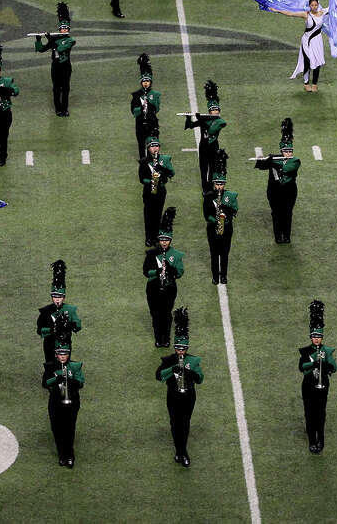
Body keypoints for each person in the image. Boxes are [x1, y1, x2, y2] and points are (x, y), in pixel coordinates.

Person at [156, 308, 203, 467]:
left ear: (187, 348)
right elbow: (158, 376)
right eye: (178, 348)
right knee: (174, 423)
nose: (180, 351)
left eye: (183, 349)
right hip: (173, 395)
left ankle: (183, 451)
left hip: (188, 395)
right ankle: (179, 450)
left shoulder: (193, 360)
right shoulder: (169, 360)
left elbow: (200, 379)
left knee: (185, 423)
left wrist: (190, 372)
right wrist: (172, 370)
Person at [42, 312, 83, 468]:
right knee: (57, 429)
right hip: (55, 401)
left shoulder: (75, 366)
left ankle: (70, 455)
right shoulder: (50, 367)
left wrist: (70, 379)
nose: (63, 357)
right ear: (56, 354)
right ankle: (62, 455)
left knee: (69, 429)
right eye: (60, 354)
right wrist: (57, 378)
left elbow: (81, 382)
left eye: (65, 354)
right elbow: (45, 384)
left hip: (71, 401)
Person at [299, 300, 337, 454]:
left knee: (320, 414)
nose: (316, 339)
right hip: (308, 386)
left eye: (318, 336)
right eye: (314, 336)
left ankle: (321, 439)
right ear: (311, 337)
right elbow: (301, 367)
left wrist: (326, 365)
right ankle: (312, 441)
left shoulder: (327, 351)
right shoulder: (305, 351)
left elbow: (334, 367)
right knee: (309, 413)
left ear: (321, 338)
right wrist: (313, 364)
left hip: (322, 386)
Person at [255, 119, 300, 244]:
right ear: (281, 151)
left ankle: (286, 235)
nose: (288, 153)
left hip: (289, 191)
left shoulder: (295, 161)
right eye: (286, 151)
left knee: (287, 213)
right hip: (274, 191)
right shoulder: (274, 159)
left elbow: (287, 168)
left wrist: (273, 161)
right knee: (276, 213)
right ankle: (278, 236)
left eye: (290, 151)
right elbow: (260, 166)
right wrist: (261, 160)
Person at [144, 208, 183, 348]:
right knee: (155, 315)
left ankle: (166, 338)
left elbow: (180, 273)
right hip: (153, 288)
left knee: (166, 314)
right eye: (162, 240)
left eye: (167, 240)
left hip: (169, 288)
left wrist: (170, 270)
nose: (164, 242)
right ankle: (158, 338)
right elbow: (145, 272)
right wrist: (158, 271)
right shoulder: (151, 254)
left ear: (170, 240)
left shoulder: (176, 254)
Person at [274, 0, 326, 92]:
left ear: (318, 5)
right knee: (307, 61)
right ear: (309, 6)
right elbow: (290, 13)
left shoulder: (323, 12)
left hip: (318, 41)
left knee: (318, 62)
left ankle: (314, 84)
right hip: (307, 41)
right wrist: (277, 10)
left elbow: (335, 6)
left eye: (315, 5)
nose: (314, 7)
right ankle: (306, 83)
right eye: (312, 5)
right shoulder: (305, 14)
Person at [184, 80, 226, 193]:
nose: (214, 112)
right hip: (203, 147)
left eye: (216, 110)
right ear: (209, 111)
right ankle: (204, 189)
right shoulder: (205, 119)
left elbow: (212, 129)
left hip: (213, 147)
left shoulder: (220, 121)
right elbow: (191, 126)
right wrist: (188, 118)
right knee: (203, 169)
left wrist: (200, 119)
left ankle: (211, 188)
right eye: (212, 110)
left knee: (212, 168)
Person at [203, 150, 238, 285]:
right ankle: (215, 277)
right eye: (217, 184)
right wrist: (216, 221)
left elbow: (235, 209)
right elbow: (206, 214)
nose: (219, 187)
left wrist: (225, 217)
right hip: (212, 228)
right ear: (213, 183)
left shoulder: (230, 196)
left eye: (221, 184)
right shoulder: (208, 197)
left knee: (224, 253)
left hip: (227, 228)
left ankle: (223, 276)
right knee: (214, 253)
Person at [36, 260, 82, 361]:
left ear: (64, 297)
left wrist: (70, 325)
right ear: (51, 297)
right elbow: (39, 330)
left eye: (60, 297)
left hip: (65, 346)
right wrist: (53, 329)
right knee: (50, 368)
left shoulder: (70, 310)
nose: (57, 299)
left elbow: (78, 326)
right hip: (50, 345)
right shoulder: (45, 311)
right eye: (55, 296)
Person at [34, 2, 75, 116]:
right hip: (55, 66)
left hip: (66, 67)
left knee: (65, 88)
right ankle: (58, 108)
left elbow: (61, 48)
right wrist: (38, 40)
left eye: (66, 28)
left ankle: (65, 109)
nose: (64, 30)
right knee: (56, 89)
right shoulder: (54, 39)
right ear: (59, 29)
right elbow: (41, 49)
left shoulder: (70, 40)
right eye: (62, 28)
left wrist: (51, 40)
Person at [139, 121, 174, 248]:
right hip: (148, 191)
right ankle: (149, 237)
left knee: (157, 214)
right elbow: (142, 178)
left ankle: (155, 237)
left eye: (157, 146)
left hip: (160, 191)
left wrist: (162, 175)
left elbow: (172, 172)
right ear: (148, 148)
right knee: (148, 214)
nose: (155, 148)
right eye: (152, 147)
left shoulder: (164, 159)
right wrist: (152, 180)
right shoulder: (144, 162)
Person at [131, 54, 161, 159]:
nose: (145, 83)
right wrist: (141, 108)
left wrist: (149, 105)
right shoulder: (136, 95)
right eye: (144, 81)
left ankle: (153, 165)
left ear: (150, 82)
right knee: (141, 145)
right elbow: (133, 111)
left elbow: (157, 109)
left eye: (147, 81)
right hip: (140, 123)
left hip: (152, 122)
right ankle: (143, 165)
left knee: (152, 145)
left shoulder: (155, 94)